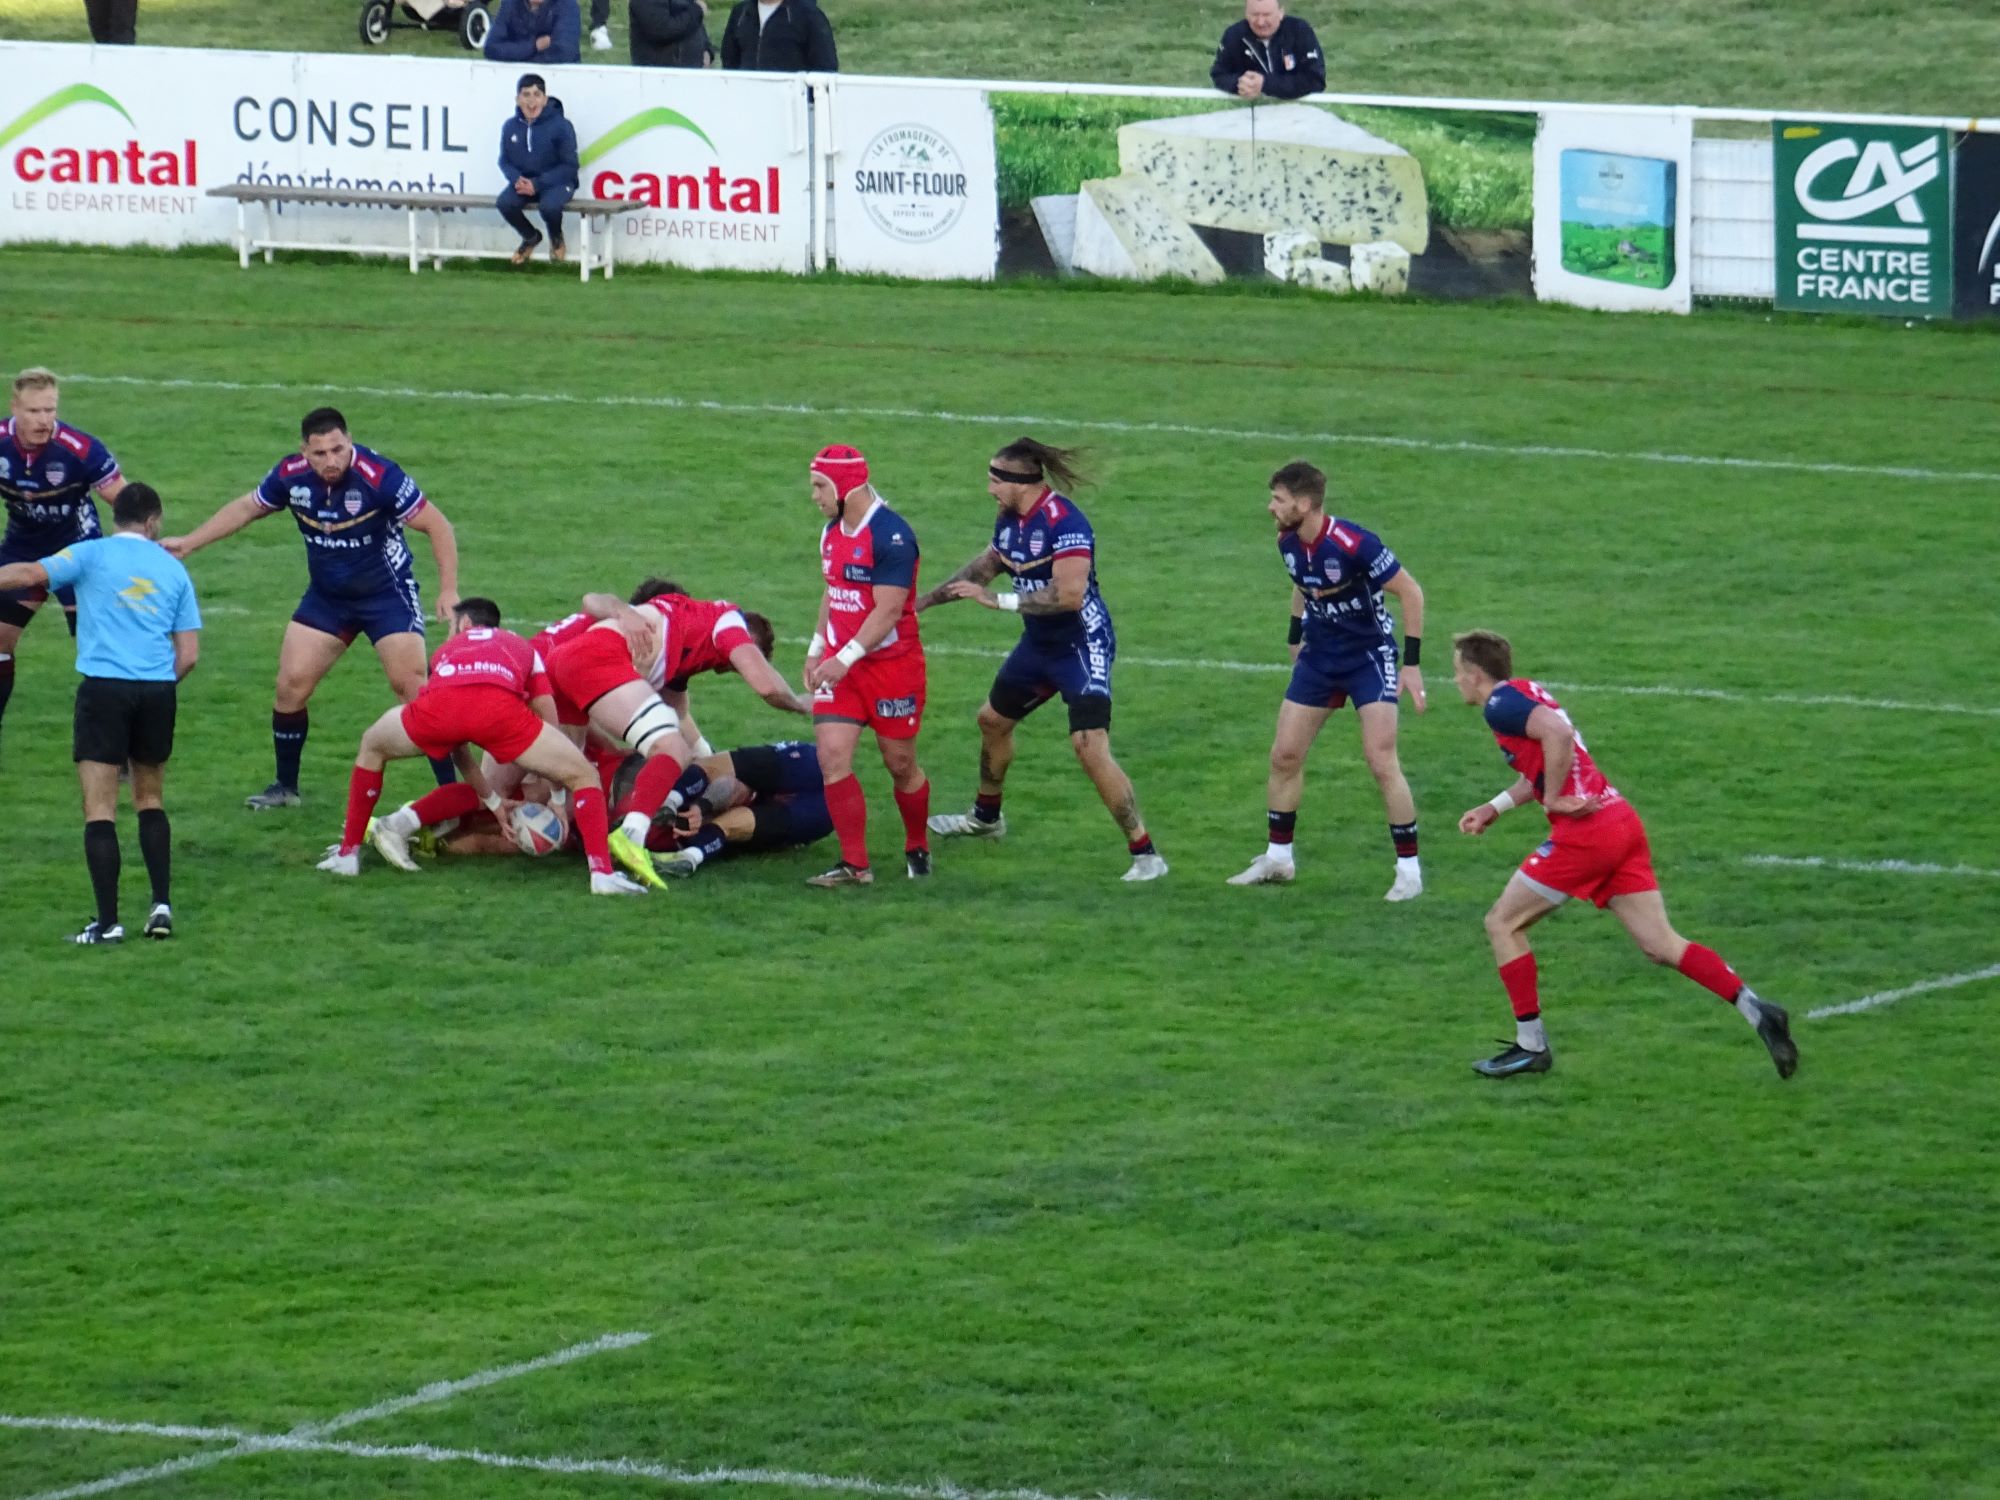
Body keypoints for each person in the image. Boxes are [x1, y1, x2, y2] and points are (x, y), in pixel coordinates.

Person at [1451, 629, 1799, 1080]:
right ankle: (1758, 1010)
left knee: (1502, 922)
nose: (1455, 680)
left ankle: (1531, 1046)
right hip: (1619, 822)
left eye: (1457, 672)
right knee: (1660, 944)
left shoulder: (1500, 705)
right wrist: (1494, 808)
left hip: (1586, 835)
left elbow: (1556, 736)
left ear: (1475, 674)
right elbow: (1548, 758)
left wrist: (1554, 799)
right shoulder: (1525, 694)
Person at [163, 407, 461, 810]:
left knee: (414, 690)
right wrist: (191, 542)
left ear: (350, 440)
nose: (331, 460)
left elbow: (438, 525)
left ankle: (451, 795)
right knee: (290, 686)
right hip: (328, 598)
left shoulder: (380, 476)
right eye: (319, 453)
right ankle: (286, 788)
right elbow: (248, 507)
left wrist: (448, 590)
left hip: (386, 596)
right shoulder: (290, 476)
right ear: (304, 451)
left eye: (338, 449)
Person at [917, 438, 1166, 882]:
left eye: (995, 480)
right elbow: (985, 566)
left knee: (1089, 747)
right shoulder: (1010, 520)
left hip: (1081, 647)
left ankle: (1146, 854)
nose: (990, 488)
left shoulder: (1066, 523)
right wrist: (920, 604)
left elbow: (1069, 596)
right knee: (992, 722)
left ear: (1021, 482)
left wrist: (998, 601)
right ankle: (986, 818)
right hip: (1039, 647)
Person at [318, 597, 647, 896]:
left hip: (441, 709)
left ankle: (348, 855)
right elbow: (548, 718)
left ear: (463, 625)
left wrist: (491, 799)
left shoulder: (445, 653)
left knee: (372, 747)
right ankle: (602, 875)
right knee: (583, 775)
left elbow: (454, 740)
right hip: (499, 713)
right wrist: (559, 797)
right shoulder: (522, 647)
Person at [0, 483, 199, 944]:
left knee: (99, 810)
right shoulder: (172, 570)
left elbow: (30, 572)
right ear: (154, 521)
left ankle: (108, 923)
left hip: (104, 693)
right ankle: (161, 905)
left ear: (118, 518)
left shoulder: (89, 555)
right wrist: (159, 685)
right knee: (150, 800)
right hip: (156, 693)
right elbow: (188, 655)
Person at [1229, 461, 1425, 899]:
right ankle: (1278, 859)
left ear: (1304, 503)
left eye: (1278, 499)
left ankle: (1409, 871)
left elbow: (1411, 592)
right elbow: (1303, 581)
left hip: (1368, 657)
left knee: (1380, 759)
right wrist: (1295, 634)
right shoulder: (1287, 539)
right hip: (1320, 658)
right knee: (1284, 755)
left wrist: (1410, 665)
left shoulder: (1355, 544)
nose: (1270, 507)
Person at [532, 579, 810, 888]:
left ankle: (601, 877)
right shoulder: (729, 623)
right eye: (740, 661)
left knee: (576, 778)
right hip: (593, 658)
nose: (730, 669)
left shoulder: (687, 637)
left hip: (560, 663)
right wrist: (800, 704)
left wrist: (705, 758)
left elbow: (675, 712)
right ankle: (632, 834)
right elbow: (767, 686)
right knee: (671, 750)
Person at [803, 444, 930, 886]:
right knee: (831, 756)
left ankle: (917, 843)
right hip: (843, 668)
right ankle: (855, 864)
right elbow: (832, 590)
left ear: (846, 485)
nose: (815, 496)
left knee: (900, 764)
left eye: (820, 486)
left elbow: (888, 611)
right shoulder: (830, 532)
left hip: (892, 669)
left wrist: (844, 657)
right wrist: (818, 647)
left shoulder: (892, 536)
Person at [1, 368, 128, 748]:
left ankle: (116, 749)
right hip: (23, 546)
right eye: (35, 411)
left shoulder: (81, 450)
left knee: (97, 652)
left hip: (78, 549)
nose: (44, 420)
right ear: (15, 408)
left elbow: (127, 502)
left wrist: (140, 548)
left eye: (50, 410)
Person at [643, 740, 832, 876]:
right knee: (729, 825)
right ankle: (691, 855)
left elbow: (730, 785)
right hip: (822, 809)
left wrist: (700, 808)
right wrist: (700, 808)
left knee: (715, 775)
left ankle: (686, 842)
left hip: (809, 778)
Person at [496, 75, 580, 266]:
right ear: (518, 99)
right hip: (525, 183)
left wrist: (538, 184)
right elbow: (504, 160)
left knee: (549, 207)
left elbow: (570, 166)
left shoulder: (561, 126)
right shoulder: (510, 126)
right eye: (526, 95)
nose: (531, 101)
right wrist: (516, 179)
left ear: (544, 98)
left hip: (557, 183)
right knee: (504, 203)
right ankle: (531, 236)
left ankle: (556, 237)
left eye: (536, 95)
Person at [1211, 0, 1325, 100]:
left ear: (1281, 13)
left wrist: (1265, 84)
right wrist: (1239, 84)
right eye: (1254, 14)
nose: (1260, 22)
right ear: (1246, 13)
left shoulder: (1300, 31)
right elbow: (1219, 74)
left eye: (1267, 15)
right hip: (1247, 114)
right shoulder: (1234, 35)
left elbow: (1315, 80)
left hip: (1297, 112)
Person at [719, 0, 835, 72]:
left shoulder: (809, 15)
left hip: (792, 104)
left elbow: (825, 66)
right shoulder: (740, 13)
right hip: (746, 101)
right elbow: (729, 59)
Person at [484, 0, 582, 64]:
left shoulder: (567, 5)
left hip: (558, 76)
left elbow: (565, 53)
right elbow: (491, 48)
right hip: (516, 77)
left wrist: (518, 58)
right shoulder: (510, 4)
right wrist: (534, 46)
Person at [630, 0, 711, 66]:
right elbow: (661, 30)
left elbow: (693, 19)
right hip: (660, 74)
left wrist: (706, 48)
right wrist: (697, 11)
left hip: (689, 71)